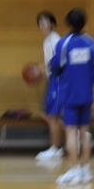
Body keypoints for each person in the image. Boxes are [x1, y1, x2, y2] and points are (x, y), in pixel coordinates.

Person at [49, 8, 94, 185]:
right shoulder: (92, 43)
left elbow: (55, 67)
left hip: (70, 94)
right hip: (87, 93)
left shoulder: (64, 43)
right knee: (84, 132)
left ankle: (74, 171)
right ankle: (86, 170)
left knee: (71, 132)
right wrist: (86, 81)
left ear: (68, 23)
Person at [34, 11, 65, 161]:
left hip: (57, 80)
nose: (42, 26)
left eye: (45, 23)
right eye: (40, 23)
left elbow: (60, 61)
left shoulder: (55, 40)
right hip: (52, 80)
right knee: (49, 115)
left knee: (52, 116)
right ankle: (72, 136)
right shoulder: (47, 40)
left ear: (52, 24)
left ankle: (55, 148)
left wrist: (43, 68)